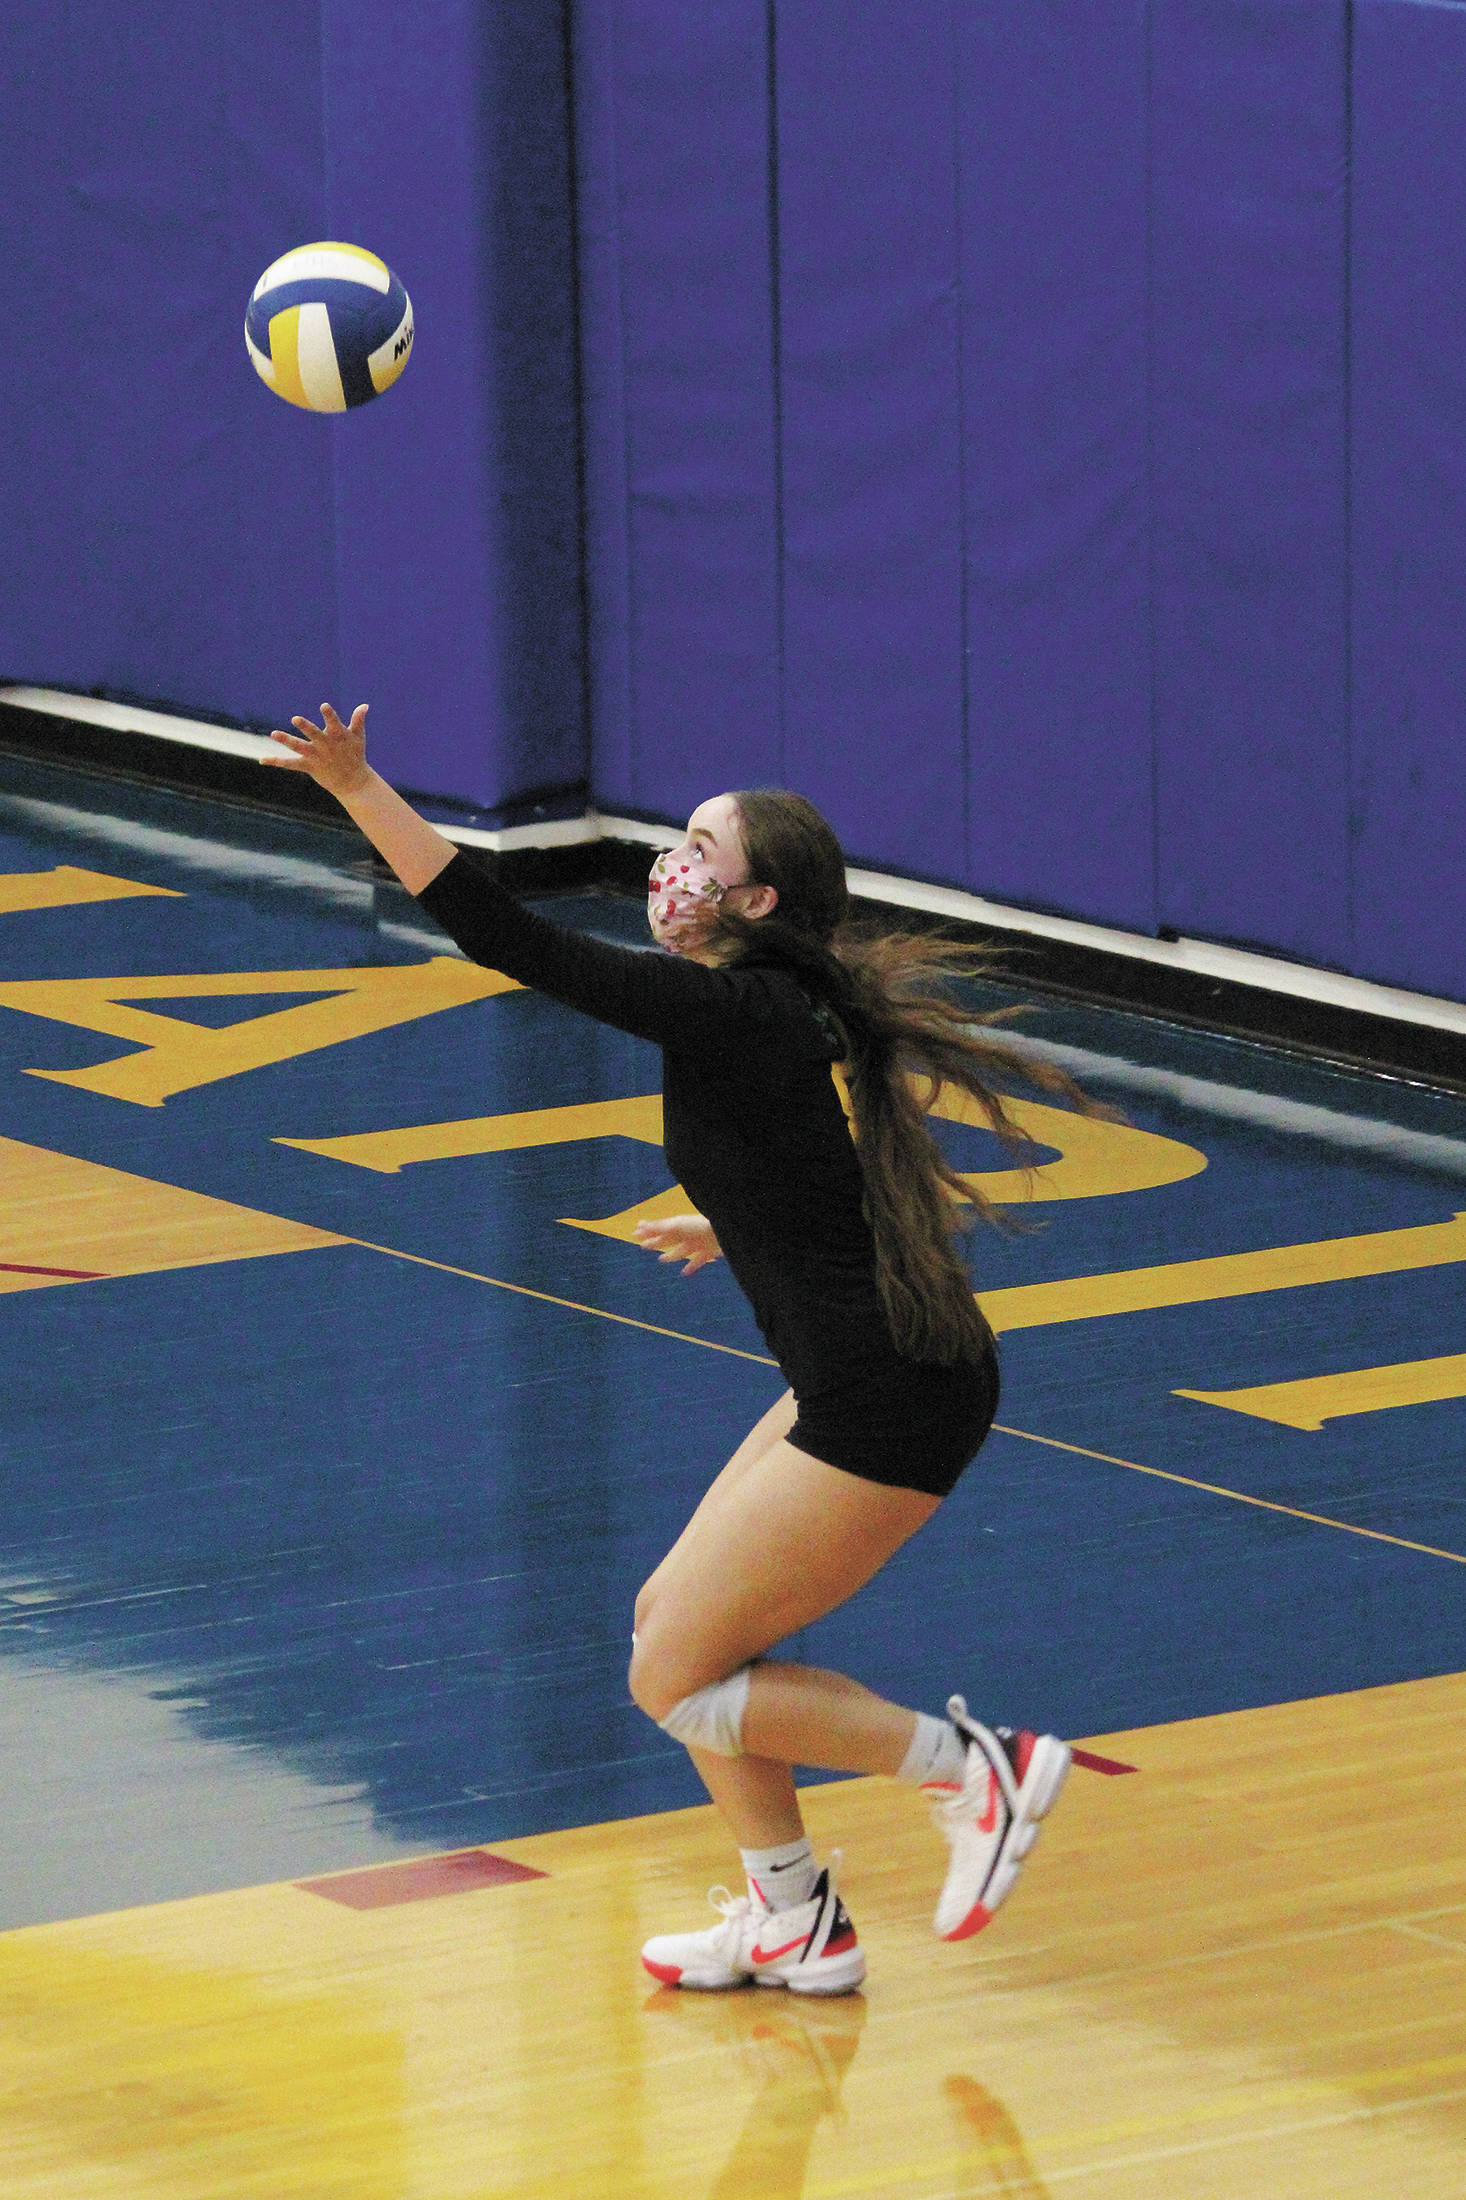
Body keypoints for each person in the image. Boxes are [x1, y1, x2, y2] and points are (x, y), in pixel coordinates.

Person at [265, 702, 1091, 1998]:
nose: (669, 862)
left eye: (695, 846)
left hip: (887, 1395)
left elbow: (506, 934)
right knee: (677, 1638)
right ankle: (792, 1922)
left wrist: (358, 786)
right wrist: (731, 1218)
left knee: (675, 1674)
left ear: (752, 896)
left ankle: (966, 1769)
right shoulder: (769, 1009)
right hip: (865, 1376)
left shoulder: (743, 1012)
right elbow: (822, 1158)